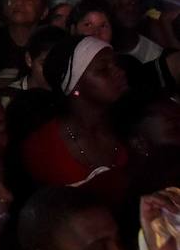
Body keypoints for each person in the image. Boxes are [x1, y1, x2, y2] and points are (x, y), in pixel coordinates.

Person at [21, 36, 129, 203]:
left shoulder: (129, 126)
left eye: (116, 65)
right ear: (74, 85)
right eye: (103, 70)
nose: (120, 72)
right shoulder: (43, 147)